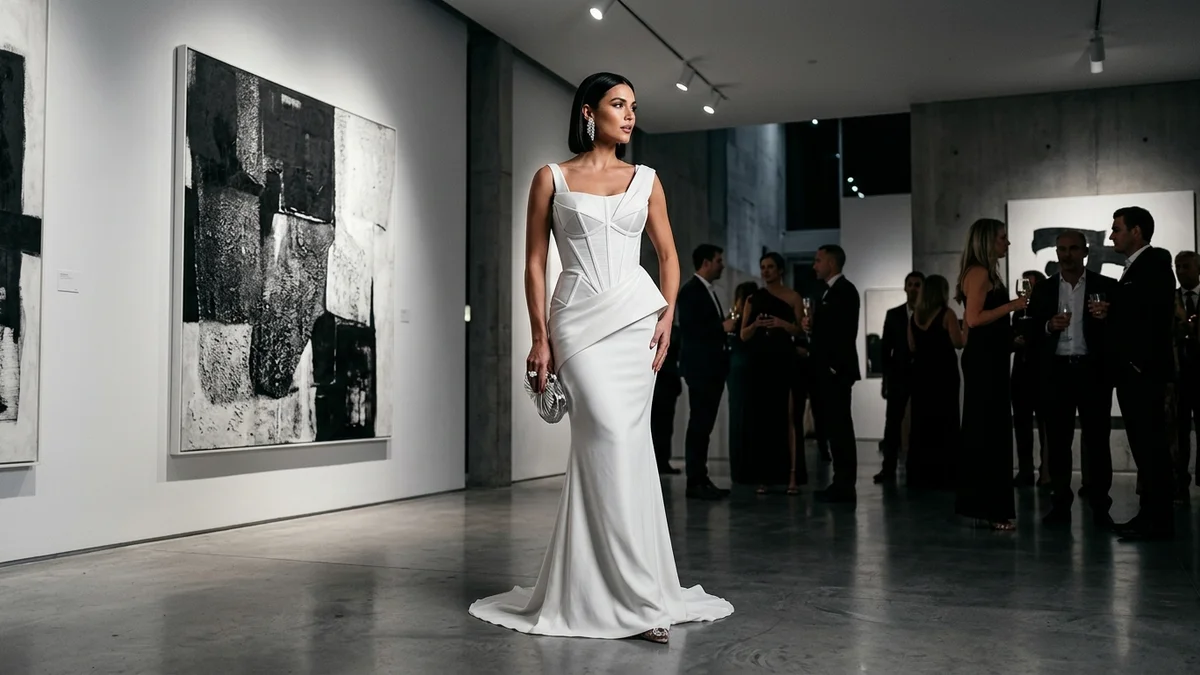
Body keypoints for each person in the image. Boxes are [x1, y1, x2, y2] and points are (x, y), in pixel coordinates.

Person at [468, 72, 734, 643]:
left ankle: (626, 589)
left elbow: (668, 256)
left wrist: (666, 316)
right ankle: (628, 597)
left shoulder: (647, 180)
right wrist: (539, 337)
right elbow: (535, 264)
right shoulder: (551, 178)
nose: (630, 115)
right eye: (618, 104)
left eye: (634, 106)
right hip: (577, 325)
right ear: (589, 112)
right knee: (607, 438)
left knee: (627, 449)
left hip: (636, 321)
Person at [1091, 206, 1177, 541]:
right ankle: (1152, 516)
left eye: (1117, 229)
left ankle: (1157, 519)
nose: (1111, 234)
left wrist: (1112, 311)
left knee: (1150, 446)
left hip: (1142, 371)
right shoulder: (1139, 267)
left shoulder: (1153, 261)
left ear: (1136, 231)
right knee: (1145, 446)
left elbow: (1150, 311)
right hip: (1136, 371)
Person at [1027, 230, 1116, 528]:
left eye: (1073, 249)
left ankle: (1101, 504)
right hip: (1058, 371)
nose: (1066, 254)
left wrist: (1109, 317)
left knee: (1097, 441)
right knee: (1059, 442)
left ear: (1085, 252)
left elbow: (1120, 330)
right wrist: (1048, 326)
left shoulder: (1106, 286)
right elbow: (1031, 332)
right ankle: (1060, 504)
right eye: (1061, 249)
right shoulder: (1044, 290)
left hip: (1093, 371)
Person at [955, 218, 1026, 530]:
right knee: (989, 431)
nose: (1007, 243)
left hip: (989, 358)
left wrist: (1010, 338)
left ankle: (984, 505)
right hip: (984, 363)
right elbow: (973, 319)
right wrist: (1015, 304)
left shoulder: (982, 272)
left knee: (988, 430)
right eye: (1002, 238)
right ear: (987, 241)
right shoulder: (980, 272)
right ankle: (990, 507)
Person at [740, 252, 806, 494]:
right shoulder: (752, 299)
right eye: (763, 267)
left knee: (788, 417)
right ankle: (764, 476)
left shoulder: (793, 297)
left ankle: (792, 477)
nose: (765, 271)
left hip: (784, 362)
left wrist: (783, 324)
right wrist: (755, 325)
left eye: (770, 267)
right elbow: (743, 335)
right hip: (760, 363)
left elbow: (801, 331)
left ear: (780, 270)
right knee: (763, 419)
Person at [801, 245, 861, 503]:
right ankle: (840, 482)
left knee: (840, 428)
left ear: (832, 263)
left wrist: (833, 366)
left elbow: (842, 334)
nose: (814, 265)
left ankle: (844, 484)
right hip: (827, 371)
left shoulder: (844, 291)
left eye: (818, 260)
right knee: (835, 428)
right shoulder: (829, 292)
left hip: (835, 372)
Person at [677, 244, 736, 500]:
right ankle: (695, 480)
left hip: (710, 368)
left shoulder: (705, 291)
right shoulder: (691, 291)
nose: (722, 264)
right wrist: (722, 328)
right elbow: (691, 330)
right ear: (706, 262)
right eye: (719, 260)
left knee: (703, 426)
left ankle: (701, 477)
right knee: (700, 425)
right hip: (701, 369)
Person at [906, 274, 965, 490]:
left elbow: (911, 346)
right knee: (946, 421)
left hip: (921, 375)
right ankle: (946, 475)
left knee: (922, 423)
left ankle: (921, 475)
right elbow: (959, 343)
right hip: (944, 375)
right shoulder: (946, 314)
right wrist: (967, 325)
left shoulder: (914, 317)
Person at [877, 271, 924, 483]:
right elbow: (885, 349)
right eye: (910, 285)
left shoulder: (928, 313)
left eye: (917, 285)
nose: (913, 289)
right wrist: (885, 379)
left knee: (922, 422)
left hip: (923, 375)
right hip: (898, 374)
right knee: (892, 423)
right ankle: (888, 469)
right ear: (904, 287)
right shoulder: (893, 314)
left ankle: (918, 469)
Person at [1012, 270, 1050, 488]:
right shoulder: (1018, 312)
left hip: (1042, 374)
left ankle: (1046, 471)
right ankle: (1025, 470)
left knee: (1046, 427)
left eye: (1032, 286)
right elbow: (1010, 337)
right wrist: (1014, 341)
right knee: (1022, 426)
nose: (1027, 290)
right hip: (1020, 376)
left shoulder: (1046, 310)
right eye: (1025, 285)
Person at [1172, 250, 1200, 500]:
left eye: (1186, 267)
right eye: (1177, 267)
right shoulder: (1171, 300)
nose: (1181, 272)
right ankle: (1180, 481)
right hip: (1179, 376)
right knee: (1178, 433)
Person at [726, 281, 759, 484]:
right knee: (748, 420)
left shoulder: (735, 320)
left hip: (737, 372)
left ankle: (740, 470)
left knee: (739, 420)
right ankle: (747, 469)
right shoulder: (743, 321)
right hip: (747, 371)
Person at [650, 324, 682, 475]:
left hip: (667, 382)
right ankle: (658, 462)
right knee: (659, 426)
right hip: (661, 381)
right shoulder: (666, 330)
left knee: (664, 426)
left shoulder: (673, 329)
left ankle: (662, 461)